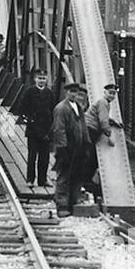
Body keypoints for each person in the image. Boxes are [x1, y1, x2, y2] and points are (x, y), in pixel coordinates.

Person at [50, 82, 89, 216]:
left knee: (77, 175)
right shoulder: (61, 108)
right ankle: (62, 207)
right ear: (66, 92)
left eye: (76, 92)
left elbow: (83, 127)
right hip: (66, 147)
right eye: (72, 92)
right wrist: (62, 149)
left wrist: (86, 144)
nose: (74, 94)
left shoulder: (78, 107)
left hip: (78, 147)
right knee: (64, 177)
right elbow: (58, 129)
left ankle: (73, 204)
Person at [15, 68, 57, 187]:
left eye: (44, 79)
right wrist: (29, 120)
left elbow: (53, 110)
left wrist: (51, 128)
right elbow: (22, 109)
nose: (41, 81)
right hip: (33, 130)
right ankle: (30, 179)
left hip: (46, 130)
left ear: (46, 79)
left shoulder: (49, 93)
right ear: (35, 79)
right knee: (32, 156)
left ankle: (42, 180)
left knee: (44, 157)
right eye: (39, 78)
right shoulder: (29, 92)